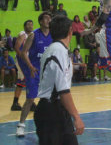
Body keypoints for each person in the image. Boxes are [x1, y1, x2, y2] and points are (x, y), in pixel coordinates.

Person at [34, 15, 84, 144]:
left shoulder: (59, 50)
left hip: (57, 110)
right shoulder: (58, 51)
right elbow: (63, 91)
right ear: (70, 32)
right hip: (51, 112)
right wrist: (76, 117)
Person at [16, 12, 52, 137]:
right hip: (34, 71)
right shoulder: (33, 35)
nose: (49, 20)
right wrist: (30, 66)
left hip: (47, 72)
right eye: (46, 18)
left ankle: (48, 124)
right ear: (41, 21)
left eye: (50, 18)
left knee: (50, 99)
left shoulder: (53, 35)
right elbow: (23, 52)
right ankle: (21, 126)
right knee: (30, 99)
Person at [11, 20, 34, 111]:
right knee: (23, 81)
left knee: (27, 81)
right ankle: (16, 103)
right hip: (22, 61)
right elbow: (16, 48)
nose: (30, 26)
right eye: (28, 24)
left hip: (27, 61)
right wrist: (23, 60)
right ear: (24, 26)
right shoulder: (23, 34)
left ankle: (27, 102)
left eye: (31, 24)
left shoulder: (31, 35)